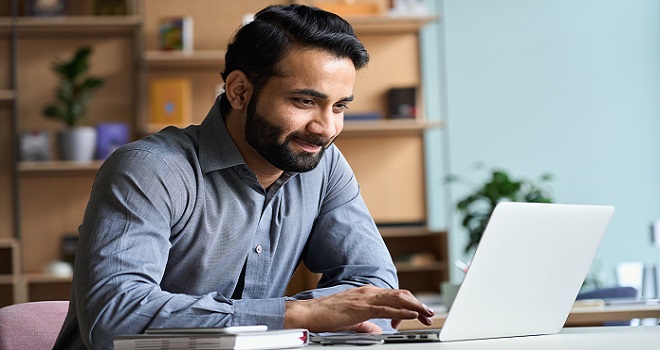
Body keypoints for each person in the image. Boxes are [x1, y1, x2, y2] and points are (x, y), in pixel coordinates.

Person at [53, 4, 434, 349]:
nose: (325, 127)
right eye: (304, 101)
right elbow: (113, 318)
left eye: (339, 106)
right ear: (239, 91)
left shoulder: (325, 165)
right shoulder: (150, 169)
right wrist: (296, 315)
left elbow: (375, 289)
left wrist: (305, 315)